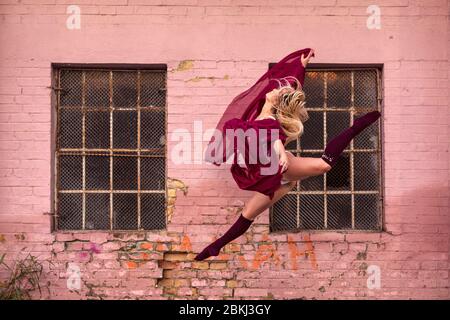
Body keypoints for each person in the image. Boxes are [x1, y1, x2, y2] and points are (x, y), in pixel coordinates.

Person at [195, 49, 381, 261]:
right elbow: (286, 87)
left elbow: (274, 137)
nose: (275, 90)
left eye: (278, 92)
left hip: (278, 166)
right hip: (268, 173)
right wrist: (301, 67)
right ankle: (216, 246)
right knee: (248, 214)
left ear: (275, 102)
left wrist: (282, 154)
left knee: (324, 165)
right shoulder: (258, 113)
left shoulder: (269, 120)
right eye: (277, 91)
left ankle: (357, 126)